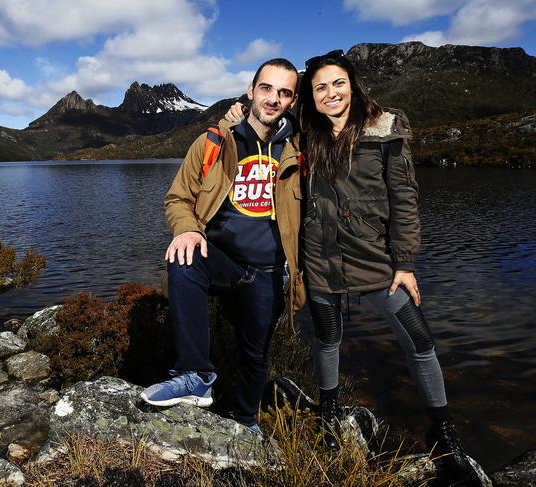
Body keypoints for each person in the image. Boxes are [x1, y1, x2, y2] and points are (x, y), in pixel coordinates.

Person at [225, 50, 481, 484]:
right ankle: (328, 414)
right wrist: (232, 110)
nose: (330, 93)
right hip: (321, 261)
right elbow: (263, 113)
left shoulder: (384, 131)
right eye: (320, 87)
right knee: (327, 339)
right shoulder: (303, 132)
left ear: (353, 85)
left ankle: (442, 431)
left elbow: (404, 201)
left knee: (420, 340)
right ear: (312, 95)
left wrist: (405, 263)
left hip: (378, 262)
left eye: (338, 83)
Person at [140, 58, 306, 433]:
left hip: (267, 272)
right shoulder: (214, 142)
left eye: (284, 93)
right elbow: (178, 198)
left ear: (292, 101)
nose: (273, 99)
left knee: (255, 352)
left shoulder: (298, 150)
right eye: (266, 88)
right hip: (222, 261)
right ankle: (195, 375)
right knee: (185, 256)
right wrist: (187, 229)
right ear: (250, 91)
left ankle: (245, 420)